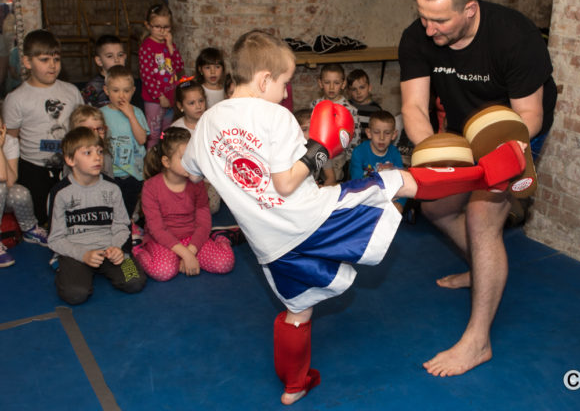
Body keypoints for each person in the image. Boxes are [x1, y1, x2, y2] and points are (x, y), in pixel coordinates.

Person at [181, 30, 527, 405]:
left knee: (298, 309)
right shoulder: (275, 117)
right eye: (284, 83)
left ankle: (294, 386)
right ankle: (488, 174)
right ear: (264, 79)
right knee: (397, 181)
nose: (284, 93)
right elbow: (285, 183)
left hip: (271, 245)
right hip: (315, 219)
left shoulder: (204, 126)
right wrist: (320, 149)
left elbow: (190, 172)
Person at [398, 0, 557, 377]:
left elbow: (530, 114)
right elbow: (414, 108)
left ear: (469, 10)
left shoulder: (515, 36)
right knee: (435, 207)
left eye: (439, 21)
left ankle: (478, 340)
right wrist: (436, 155)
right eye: (423, 16)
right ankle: (484, 269)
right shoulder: (418, 36)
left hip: (512, 127)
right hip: (462, 127)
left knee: (481, 217)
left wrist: (495, 155)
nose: (429, 29)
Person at [47, 127, 147, 305]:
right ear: (70, 159)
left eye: (100, 152)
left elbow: (122, 226)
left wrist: (118, 249)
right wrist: (83, 255)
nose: (97, 157)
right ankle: (65, 267)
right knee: (75, 294)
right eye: (88, 153)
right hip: (77, 252)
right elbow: (55, 238)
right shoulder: (60, 193)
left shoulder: (112, 188)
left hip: (109, 248)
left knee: (135, 281)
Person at [3, 29, 83, 225]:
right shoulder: (16, 98)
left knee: (71, 216)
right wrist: (12, 174)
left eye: (56, 59)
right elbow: (11, 139)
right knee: (41, 219)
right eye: (44, 60)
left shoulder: (71, 91)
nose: (52, 65)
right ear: (27, 62)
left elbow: (81, 127)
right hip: (34, 169)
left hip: (68, 166)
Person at [134, 127, 234, 281]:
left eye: (192, 156)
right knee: (164, 271)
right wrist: (185, 254)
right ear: (166, 162)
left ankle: (220, 238)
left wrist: (191, 251)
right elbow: (157, 229)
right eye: (184, 158)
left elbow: (203, 223)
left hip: (192, 239)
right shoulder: (151, 187)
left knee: (224, 263)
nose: (191, 162)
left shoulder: (197, 183)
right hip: (162, 241)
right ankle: (138, 249)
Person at [0, 113, 50, 266]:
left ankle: (30, 229)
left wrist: (0, 149)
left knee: (19, 192)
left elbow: (10, 180)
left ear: (3, 128)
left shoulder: (10, 142)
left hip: (3, 195)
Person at [100, 65, 149, 218]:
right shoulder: (101, 114)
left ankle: (130, 223)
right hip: (110, 172)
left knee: (129, 205)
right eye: (115, 90)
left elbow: (142, 139)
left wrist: (131, 115)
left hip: (133, 172)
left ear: (133, 91)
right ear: (106, 90)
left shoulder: (137, 112)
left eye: (126, 91)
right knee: (111, 208)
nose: (121, 95)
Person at [170, 77, 221, 213]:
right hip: (184, 178)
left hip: (210, 178)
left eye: (201, 101)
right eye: (191, 103)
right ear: (180, 106)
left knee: (212, 206)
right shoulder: (175, 128)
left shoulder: (212, 123)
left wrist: (208, 181)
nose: (198, 106)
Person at [138, 3, 184, 148]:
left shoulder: (169, 44)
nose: (162, 31)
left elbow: (179, 66)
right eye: (157, 26)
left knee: (166, 131)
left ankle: (163, 155)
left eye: (166, 27)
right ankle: (151, 158)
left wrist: (170, 47)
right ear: (148, 25)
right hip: (154, 100)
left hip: (170, 96)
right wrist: (160, 96)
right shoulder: (147, 47)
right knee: (154, 133)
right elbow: (147, 76)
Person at [349, 110, 406, 212]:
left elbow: (402, 182)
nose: (381, 138)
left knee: (400, 205)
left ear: (394, 135)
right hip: (365, 196)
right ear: (369, 133)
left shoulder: (395, 153)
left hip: (389, 197)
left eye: (387, 133)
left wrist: (400, 203)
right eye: (376, 132)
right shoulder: (359, 152)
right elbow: (356, 185)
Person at [310, 64, 359, 181]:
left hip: (339, 157)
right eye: (327, 82)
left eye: (336, 83)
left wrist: (349, 160)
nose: (331, 87)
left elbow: (355, 138)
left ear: (343, 84)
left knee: (334, 183)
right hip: (317, 153)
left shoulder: (350, 110)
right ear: (320, 83)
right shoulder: (315, 105)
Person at [80, 35, 127, 108]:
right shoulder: (93, 87)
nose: (117, 60)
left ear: (125, 56)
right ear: (99, 61)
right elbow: (84, 111)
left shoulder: (127, 80)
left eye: (120, 55)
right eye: (110, 56)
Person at [293, 108, 336, 186]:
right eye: (304, 129)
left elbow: (331, 178)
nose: (310, 134)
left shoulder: (321, 150)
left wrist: (323, 187)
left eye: (314, 128)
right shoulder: (291, 151)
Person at [68, 105, 114, 178]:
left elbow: (110, 179)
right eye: (89, 130)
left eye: (99, 129)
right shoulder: (73, 156)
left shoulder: (106, 155)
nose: (96, 134)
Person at [346, 69, 383, 143]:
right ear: (349, 92)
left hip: (369, 147)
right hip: (350, 146)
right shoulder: (347, 107)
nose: (358, 92)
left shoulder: (376, 109)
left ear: (369, 88)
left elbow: (379, 132)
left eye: (362, 87)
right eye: (354, 89)